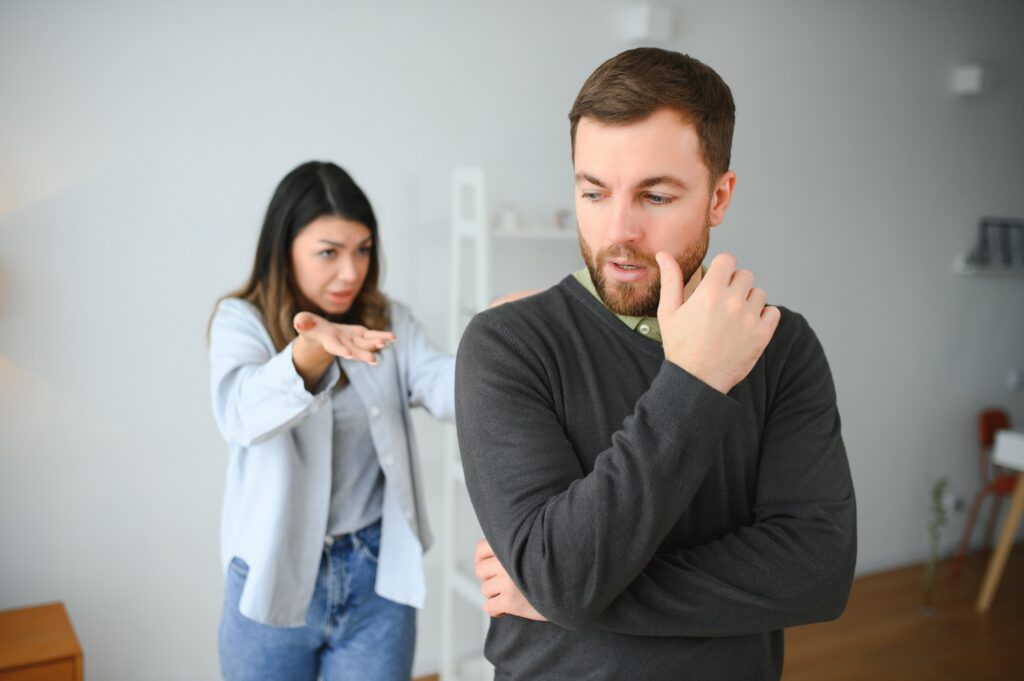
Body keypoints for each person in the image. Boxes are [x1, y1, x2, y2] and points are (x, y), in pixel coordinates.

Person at [455, 48, 857, 681]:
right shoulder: (507, 344)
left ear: (719, 196)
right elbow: (563, 576)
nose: (618, 230)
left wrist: (573, 599)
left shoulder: (781, 345)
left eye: (657, 196)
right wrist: (694, 380)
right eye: (594, 191)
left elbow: (818, 572)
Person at [208, 160, 455, 681]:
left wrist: (506, 344)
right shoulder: (241, 321)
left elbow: (443, 384)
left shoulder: (388, 321)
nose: (351, 271)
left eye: (362, 249)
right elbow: (239, 414)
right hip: (272, 573)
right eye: (329, 252)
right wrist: (311, 351)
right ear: (285, 249)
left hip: (374, 580)